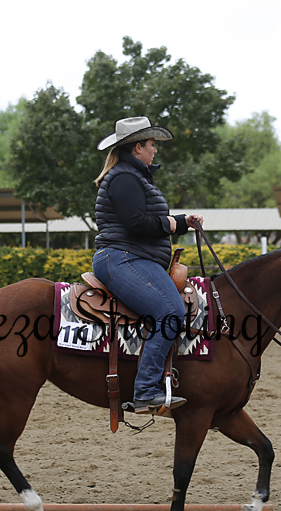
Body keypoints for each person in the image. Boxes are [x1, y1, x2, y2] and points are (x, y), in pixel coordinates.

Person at [91, 116, 203, 414]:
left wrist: (182, 222)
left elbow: (144, 220)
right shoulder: (125, 178)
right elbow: (136, 224)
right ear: (137, 147)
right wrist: (172, 223)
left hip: (130, 257)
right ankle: (145, 391)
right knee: (171, 311)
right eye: (152, 144)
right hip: (123, 258)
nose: (155, 150)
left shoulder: (132, 176)